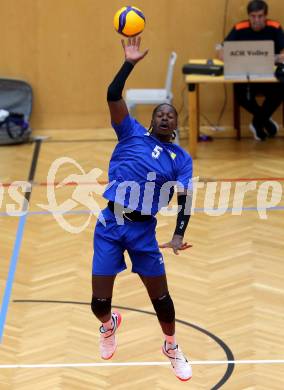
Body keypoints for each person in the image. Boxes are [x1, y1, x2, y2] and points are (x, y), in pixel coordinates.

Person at [90, 36, 193, 382]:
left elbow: (185, 198)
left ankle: (172, 346)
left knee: (162, 298)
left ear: (175, 126)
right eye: (161, 113)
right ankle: (109, 326)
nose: (165, 117)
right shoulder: (130, 133)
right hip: (110, 223)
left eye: (171, 115)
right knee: (98, 304)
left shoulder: (181, 158)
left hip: (143, 230)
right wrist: (129, 63)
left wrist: (179, 233)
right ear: (152, 120)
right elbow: (112, 95)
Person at [218, 0, 284, 141]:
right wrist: (228, 56)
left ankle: (257, 122)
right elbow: (221, 51)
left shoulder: (275, 27)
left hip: (268, 77)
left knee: (281, 90)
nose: (257, 20)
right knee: (240, 94)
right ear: (249, 16)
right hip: (245, 76)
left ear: (266, 16)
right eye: (253, 16)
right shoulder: (239, 27)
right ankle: (264, 121)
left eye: (260, 16)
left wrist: (275, 57)